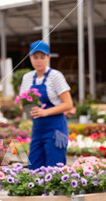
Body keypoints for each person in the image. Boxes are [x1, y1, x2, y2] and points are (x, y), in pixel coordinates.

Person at [19, 40, 74, 169]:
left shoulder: (55, 76)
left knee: (54, 169)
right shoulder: (27, 77)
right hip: (37, 130)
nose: (39, 61)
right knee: (34, 168)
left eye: (42, 57)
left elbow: (68, 104)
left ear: (48, 58)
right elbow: (23, 103)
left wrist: (45, 112)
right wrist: (27, 109)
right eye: (35, 57)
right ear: (30, 58)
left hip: (55, 130)